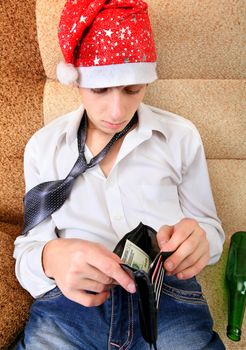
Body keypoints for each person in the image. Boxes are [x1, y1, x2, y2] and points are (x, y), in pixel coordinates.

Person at [14, 0, 226, 349]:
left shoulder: (180, 136)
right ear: (76, 81)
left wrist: (202, 242)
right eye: (99, 90)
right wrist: (52, 257)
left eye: (133, 90)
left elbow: (210, 229)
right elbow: (28, 250)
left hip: (167, 299)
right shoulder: (44, 147)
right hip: (73, 308)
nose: (117, 111)